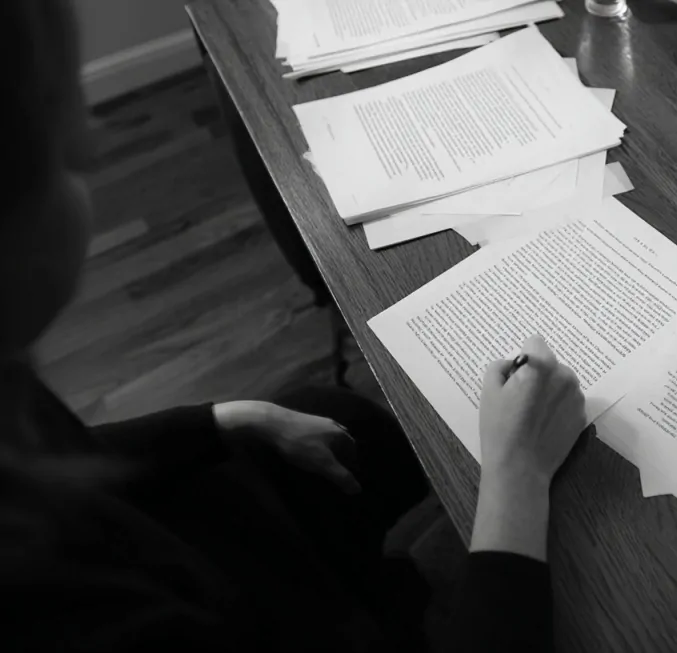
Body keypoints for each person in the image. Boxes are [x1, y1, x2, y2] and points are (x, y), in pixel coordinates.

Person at [0, 2, 586, 651]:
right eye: (65, 153)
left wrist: (217, 420)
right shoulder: (82, 617)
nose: (92, 148)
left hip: (205, 542)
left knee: (350, 423)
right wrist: (515, 473)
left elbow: (56, 452)